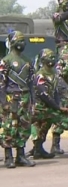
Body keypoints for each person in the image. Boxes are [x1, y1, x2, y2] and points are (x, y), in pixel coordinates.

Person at [0, 31, 35, 168]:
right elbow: (1, 84)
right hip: (11, 97)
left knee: (24, 127)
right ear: (12, 42)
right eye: (19, 40)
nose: (22, 43)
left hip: (25, 97)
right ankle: (8, 156)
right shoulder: (6, 61)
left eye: (23, 40)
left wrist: (33, 100)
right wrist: (4, 102)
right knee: (9, 127)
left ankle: (20, 155)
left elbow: (31, 82)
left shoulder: (27, 60)